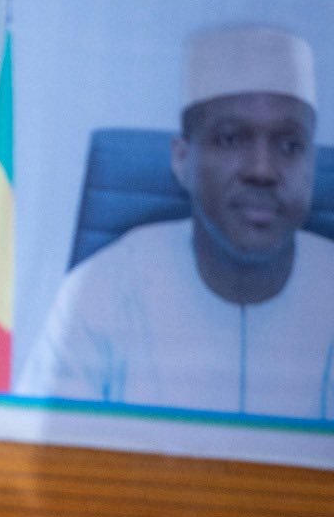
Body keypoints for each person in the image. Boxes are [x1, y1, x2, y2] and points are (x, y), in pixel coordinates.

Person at [18, 24, 334, 418]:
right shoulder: (105, 287)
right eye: (231, 139)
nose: (262, 170)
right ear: (182, 160)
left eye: (289, 145)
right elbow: (42, 449)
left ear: (312, 165)